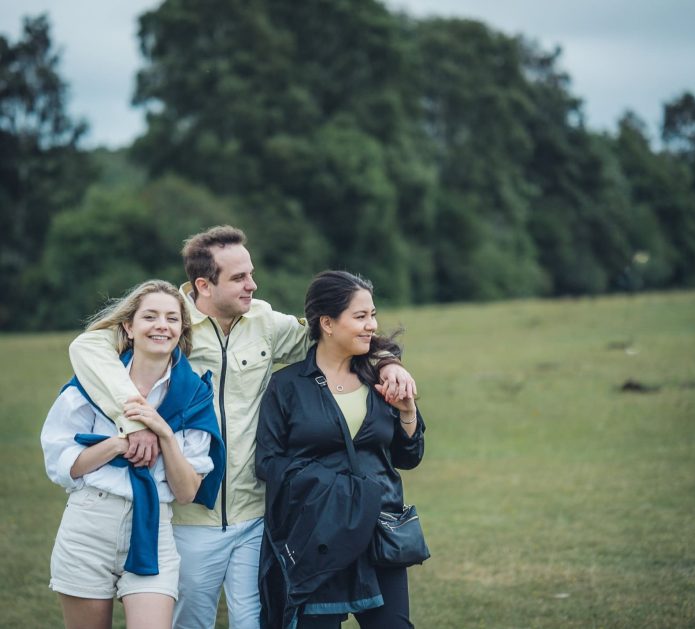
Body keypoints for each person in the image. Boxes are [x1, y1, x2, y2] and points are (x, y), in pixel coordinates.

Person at [67, 226, 417, 629]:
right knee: (190, 623)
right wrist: (134, 420)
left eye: (250, 273)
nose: (252, 284)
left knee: (255, 621)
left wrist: (387, 362)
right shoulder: (169, 322)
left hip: (256, 516)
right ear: (203, 285)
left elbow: (334, 334)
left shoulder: (264, 321)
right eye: (239, 278)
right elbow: (87, 345)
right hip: (187, 514)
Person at [41, 280, 225, 629]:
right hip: (89, 522)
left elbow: (187, 492)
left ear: (182, 329)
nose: (161, 326)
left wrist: (164, 435)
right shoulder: (92, 382)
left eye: (172, 318)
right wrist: (118, 444)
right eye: (150, 317)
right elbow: (63, 465)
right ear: (128, 326)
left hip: (153, 528)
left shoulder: (194, 395)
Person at [256, 270, 425, 629]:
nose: (371, 325)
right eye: (360, 316)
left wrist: (407, 412)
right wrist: (334, 490)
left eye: (372, 315)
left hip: (379, 530)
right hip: (317, 535)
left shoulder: (380, 378)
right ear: (328, 323)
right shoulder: (286, 386)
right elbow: (268, 462)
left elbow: (408, 457)